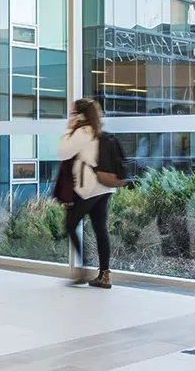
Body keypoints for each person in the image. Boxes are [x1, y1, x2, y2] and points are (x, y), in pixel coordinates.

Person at [59, 98, 127, 289]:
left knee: (70, 224)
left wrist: (68, 128)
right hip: (104, 188)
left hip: (87, 189)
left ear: (80, 115)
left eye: (73, 112)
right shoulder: (98, 132)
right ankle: (104, 275)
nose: (71, 115)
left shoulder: (82, 132)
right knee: (100, 230)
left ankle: (82, 271)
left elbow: (63, 152)